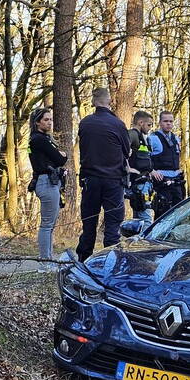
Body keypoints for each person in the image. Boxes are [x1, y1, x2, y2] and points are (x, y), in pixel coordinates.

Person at [76, 88, 133, 261]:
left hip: (90, 180)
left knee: (89, 224)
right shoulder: (118, 124)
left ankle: (84, 261)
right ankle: (110, 263)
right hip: (113, 182)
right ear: (108, 101)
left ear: (93, 102)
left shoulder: (85, 123)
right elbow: (127, 151)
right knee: (113, 226)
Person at [27, 107, 67, 270]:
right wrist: (62, 155)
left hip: (50, 182)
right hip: (46, 182)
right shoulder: (39, 139)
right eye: (46, 120)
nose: (50, 122)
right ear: (37, 122)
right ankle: (45, 262)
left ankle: (48, 259)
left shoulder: (42, 139)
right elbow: (59, 159)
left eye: (51, 119)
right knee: (47, 224)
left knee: (50, 224)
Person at [149, 111, 185, 216]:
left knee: (179, 213)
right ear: (160, 122)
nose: (168, 123)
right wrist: (152, 171)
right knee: (162, 214)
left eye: (171, 121)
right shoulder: (153, 138)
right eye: (165, 121)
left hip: (177, 182)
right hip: (162, 183)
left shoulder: (176, 138)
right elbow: (144, 159)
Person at [126, 110, 156, 220]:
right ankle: (144, 238)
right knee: (146, 217)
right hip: (138, 183)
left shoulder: (143, 138)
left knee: (138, 217)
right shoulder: (132, 134)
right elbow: (121, 151)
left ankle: (136, 236)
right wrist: (128, 168)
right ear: (140, 122)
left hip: (144, 182)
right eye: (149, 125)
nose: (150, 128)